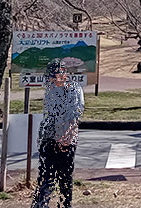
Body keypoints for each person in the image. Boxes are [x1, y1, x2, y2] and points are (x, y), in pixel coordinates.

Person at [31, 59, 84, 208]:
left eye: (56, 74)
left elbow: (75, 113)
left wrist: (64, 136)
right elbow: (48, 114)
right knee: (46, 174)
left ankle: (65, 204)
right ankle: (41, 204)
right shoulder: (50, 90)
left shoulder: (73, 89)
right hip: (49, 138)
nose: (52, 79)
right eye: (51, 76)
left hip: (66, 138)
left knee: (65, 177)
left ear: (64, 73)